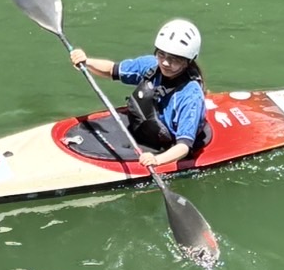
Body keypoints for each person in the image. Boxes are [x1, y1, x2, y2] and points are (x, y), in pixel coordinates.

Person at [69, 18, 208, 169]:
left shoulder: (190, 96)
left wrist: (156, 160)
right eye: (162, 54)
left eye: (174, 59)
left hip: (166, 145)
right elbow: (112, 70)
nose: (165, 63)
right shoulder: (151, 65)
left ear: (188, 61)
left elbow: (184, 146)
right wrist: (87, 62)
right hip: (144, 126)